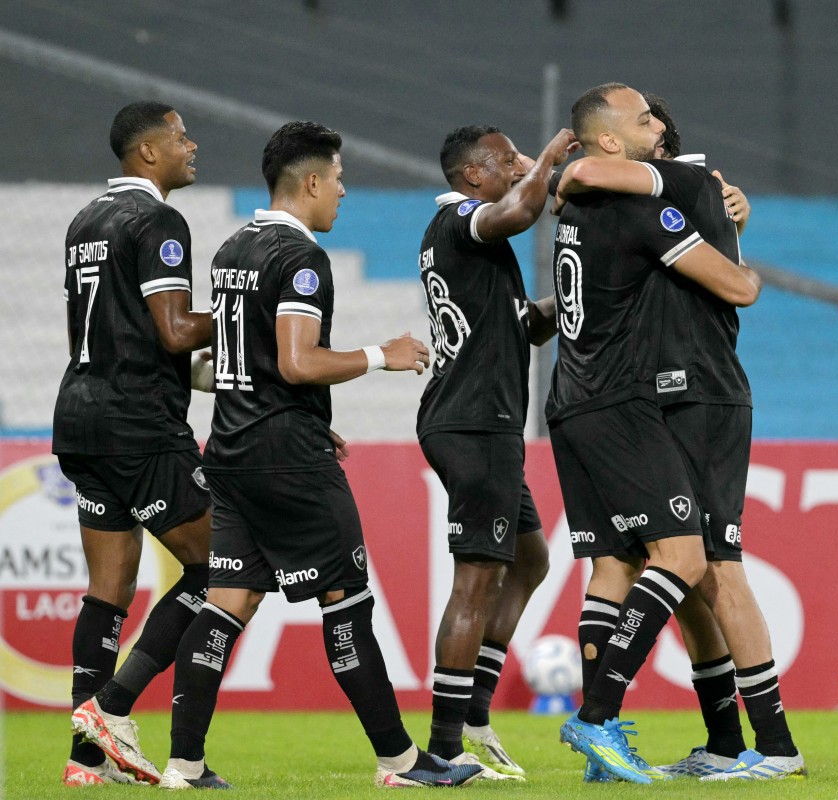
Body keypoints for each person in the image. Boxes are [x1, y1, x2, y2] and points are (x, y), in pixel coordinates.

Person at [127, 121, 479, 789]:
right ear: (311, 181)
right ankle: (400, 761)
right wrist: (381, 355)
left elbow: (245, 358)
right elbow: (295, 361)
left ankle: (184, 764)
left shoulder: (234, 248)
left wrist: (307, 416)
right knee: (346, 601)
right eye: (338, 179)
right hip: (288, 459)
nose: (343, 191)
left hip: (231, 450)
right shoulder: (301, 259)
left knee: (227, 602)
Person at [552, 93, 805, 781]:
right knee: (684, 568)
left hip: (688, 395)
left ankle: (765, 744)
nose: (656, 128)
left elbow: (580, 177)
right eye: (644, 120)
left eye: (655, 123)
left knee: (697, 566)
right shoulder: (650, 200)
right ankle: (725, 740)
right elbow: (588, 176)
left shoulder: (658, 193)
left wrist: (557, 173)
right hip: (649, 399)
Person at [57, 101, 214, 786]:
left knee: (109, 589)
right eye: (180, 137)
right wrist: (244, 311)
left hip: (81, 418)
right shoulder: (158, 220)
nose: (192, 145)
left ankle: (86, 759)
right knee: (221, 567)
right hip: (139, 425)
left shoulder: (85, 220)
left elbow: (127, 330)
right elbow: (175, 330)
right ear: (148, 152)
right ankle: (110, 710)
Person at [417, 124, 576, 779]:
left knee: (531, 559)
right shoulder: (463, 218)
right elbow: (518, 211)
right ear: (472, 176)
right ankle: (444, 748)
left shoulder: (474, 249)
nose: (516, 167)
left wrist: (577, 295)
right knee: (477, 579)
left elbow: (526, 326)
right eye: (505, 159)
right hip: (474, 423)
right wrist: (550, 159)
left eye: (518, 159)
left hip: (483, 422)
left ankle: (475, 714)